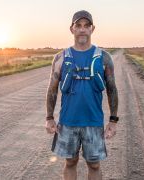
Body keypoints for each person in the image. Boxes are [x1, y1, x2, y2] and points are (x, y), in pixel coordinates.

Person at [45, 10, 119, 180]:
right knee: (70, 162)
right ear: (72, 29)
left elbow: (112, 89)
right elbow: (52, 89)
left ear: (93, 29)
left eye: (87, 26)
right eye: (78, 25)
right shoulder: (60, 58)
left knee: (94, 165)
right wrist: (49, 118)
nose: (82, 29)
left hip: (93, 122)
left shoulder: (104, 57)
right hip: (67, 122)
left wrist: (113, 121)